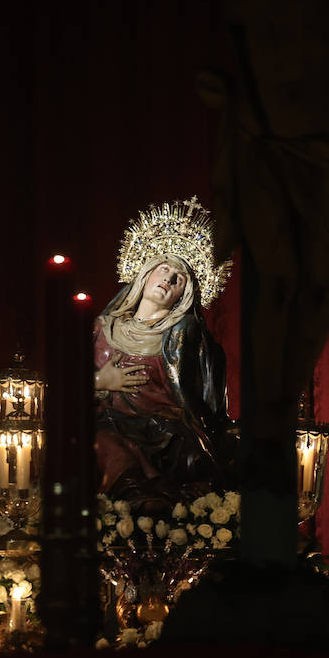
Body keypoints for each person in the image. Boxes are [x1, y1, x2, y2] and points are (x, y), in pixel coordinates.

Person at [93, 200, 234, 517]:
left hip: (167, 433)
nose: (169, 280)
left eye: (179, 279)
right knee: (106, 445)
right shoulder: (102, 330)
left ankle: (155, 502)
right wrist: (101, 380)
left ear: (184, 296)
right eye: (165, 269)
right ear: (145, 274)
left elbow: (204, 398)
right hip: (108, 427)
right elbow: (65, 387)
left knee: (190, 456)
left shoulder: (186, 338)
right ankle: (142, 500)